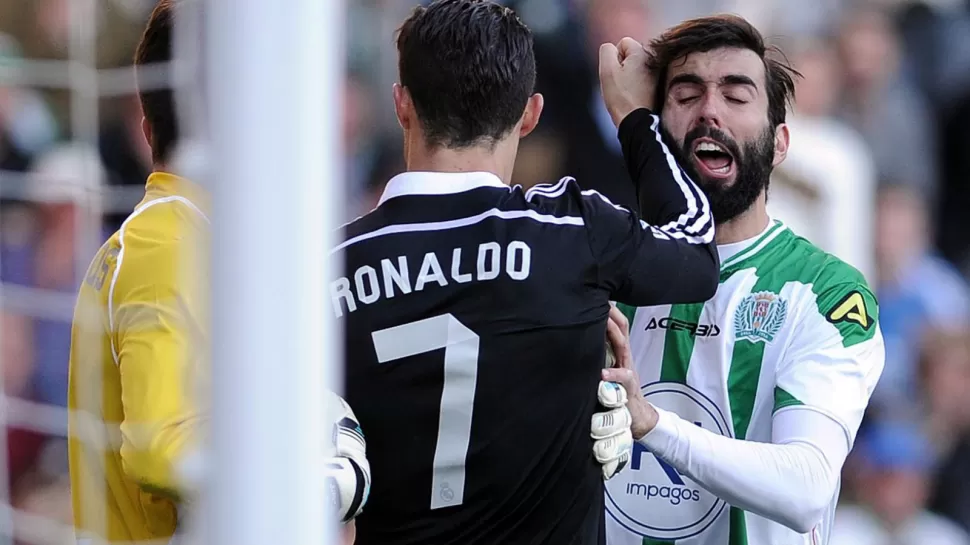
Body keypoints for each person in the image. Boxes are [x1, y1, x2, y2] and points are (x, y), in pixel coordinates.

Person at [335, 1, 718, 544]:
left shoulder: (328, 271)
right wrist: (636, 120)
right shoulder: (574, 231)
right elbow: (697, 251)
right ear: (531, 114)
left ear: (401, 105)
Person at [66, 2, 369, 543]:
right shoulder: (166, 242)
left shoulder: (182, 237)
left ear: (147, 127)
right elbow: (159, 445)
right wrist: (304, 470)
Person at [590, 15, 886, 545]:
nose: (709, 110)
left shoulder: (825, 293)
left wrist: (652, 425)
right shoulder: (602, 266)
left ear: (779, 144)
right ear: (654, 132)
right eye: (686, 94)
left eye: (736, 94)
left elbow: (806, 489)